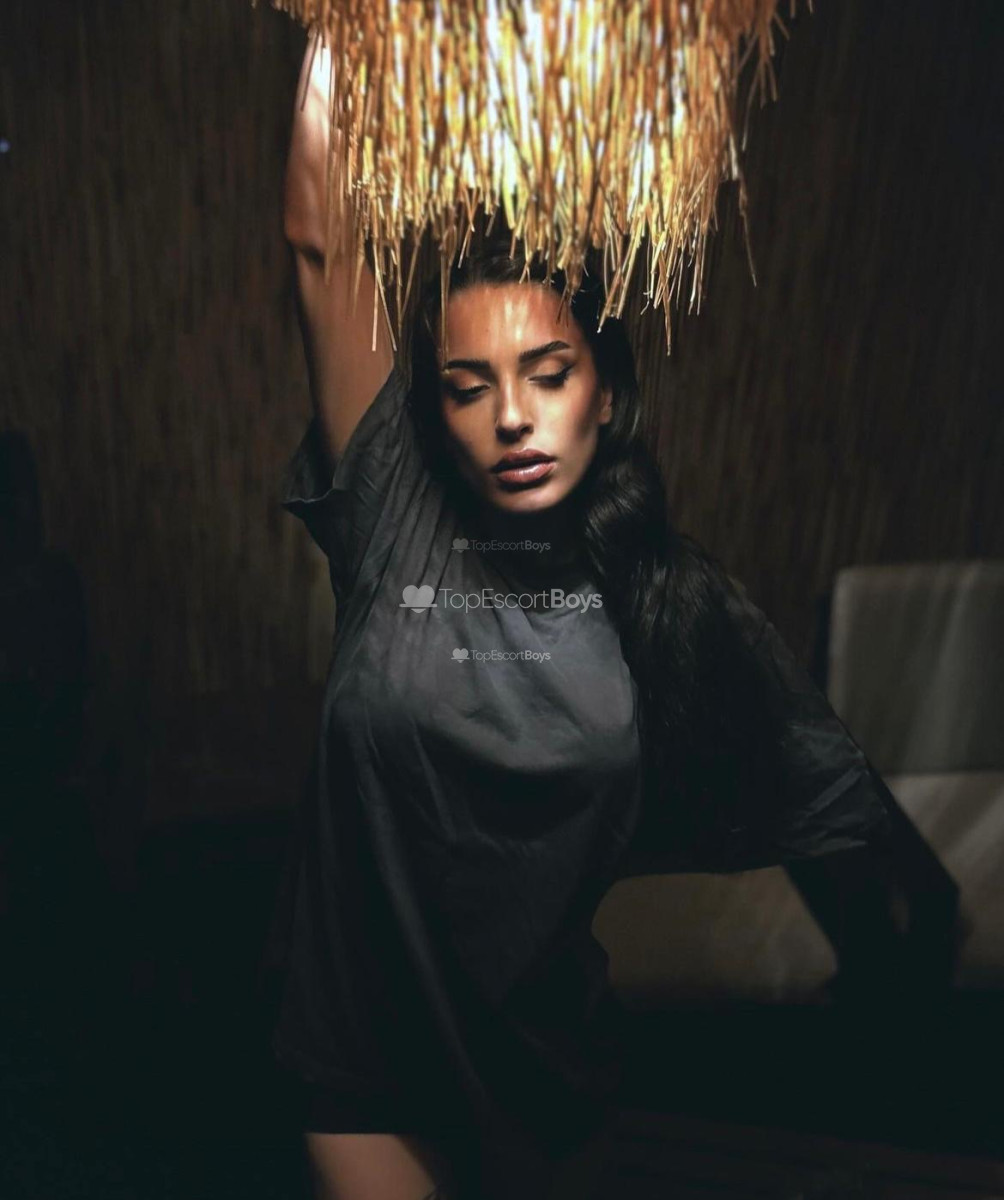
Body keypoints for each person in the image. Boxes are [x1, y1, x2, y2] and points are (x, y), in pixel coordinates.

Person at [263, 27, 895, 1200]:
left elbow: (828, 808)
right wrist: (354, 26)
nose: (511, 415)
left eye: (547, 375)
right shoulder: (393, 511)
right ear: (433, 415)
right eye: (468, 388)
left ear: (604, 393)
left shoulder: (663, 593)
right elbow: (317, 238)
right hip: (368, 1075)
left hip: (551, 1087)